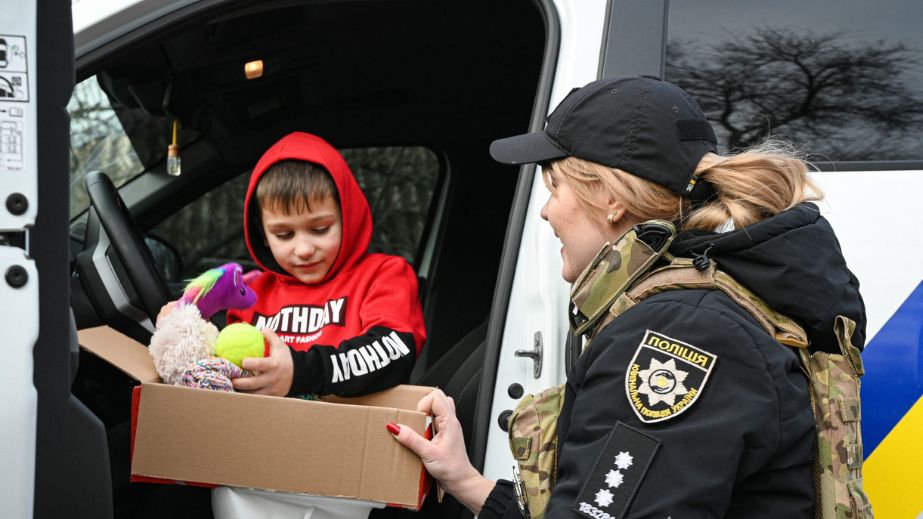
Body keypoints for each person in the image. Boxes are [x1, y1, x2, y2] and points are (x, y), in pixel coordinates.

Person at [388, 76, 867, 518]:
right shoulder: (690, 312)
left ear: (610, 198)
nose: (546, 212)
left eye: (555, 188)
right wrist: (467, 482)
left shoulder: (682, 332)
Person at [225, 131, 426, 397]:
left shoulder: (383, 275)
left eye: (320, 229)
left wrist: (300, 373)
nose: (304, 249)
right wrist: (185, 323)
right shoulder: (248, 292)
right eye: (284, 235)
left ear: (348, 217)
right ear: (263, 234)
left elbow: (393, 350)